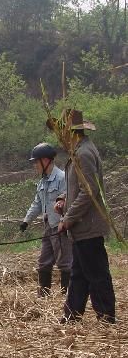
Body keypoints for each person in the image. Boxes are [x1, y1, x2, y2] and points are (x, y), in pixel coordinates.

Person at [48, 109, 115, 324]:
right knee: (79, 273)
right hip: (81, 229)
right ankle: (71, 315)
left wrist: (68, 219)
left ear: (71, 131)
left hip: (88, 227)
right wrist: (63, 200)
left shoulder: (84, 154)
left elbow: (89, 192)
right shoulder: (77, 152)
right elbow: (79, 188)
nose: (60, 136)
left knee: (96, 274)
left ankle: (106, 317)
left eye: (62, 131)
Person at [20, 142, 72, 297]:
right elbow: (37, 203)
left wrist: (65, 221)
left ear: (45, 160)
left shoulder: (63, 178)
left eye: (36, 161)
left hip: (61, 228)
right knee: (44, 262)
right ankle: (43, 297)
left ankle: (67, 297)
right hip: (49, 227)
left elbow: (69, 201)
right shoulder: (42, 182)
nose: (35, 165)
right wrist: (26, 221)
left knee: (65, 263)